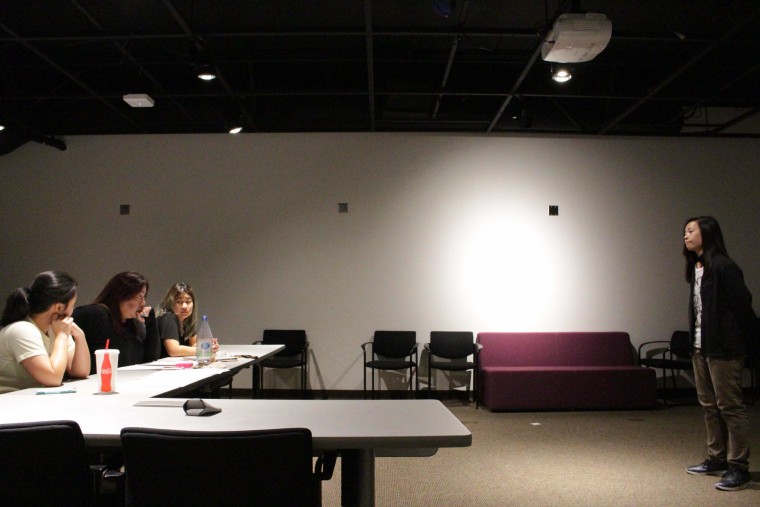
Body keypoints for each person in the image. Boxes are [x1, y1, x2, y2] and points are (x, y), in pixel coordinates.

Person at [683, 216, 758, 491]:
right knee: (709, 406)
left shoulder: (725, 267)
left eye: (691, 230)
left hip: (725, 349)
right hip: (701, 347)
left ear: (708, 233)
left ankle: (739, 467)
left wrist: (752, 346)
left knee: (730, 407)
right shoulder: (696, 268)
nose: (686, 235)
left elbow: (743, 308)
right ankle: (717, 458)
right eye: (685, 231)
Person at [0, 271, 90, 394]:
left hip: (29, 401)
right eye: (73, 304)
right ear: (59, 307)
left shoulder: (56, 327)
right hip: (8, 404)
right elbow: (52, 378)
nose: (73, 310)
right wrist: (62, 336)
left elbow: (81, 372)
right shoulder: (22, 329)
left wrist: (80, 336)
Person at [73, 271, 160, 373]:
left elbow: (151, 357)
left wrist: (150, 321)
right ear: (121, 295)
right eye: (140, 296)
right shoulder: (95, 314)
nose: (143, 303)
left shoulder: (132, 324)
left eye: (144, 297)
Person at [157, 282, 216, 357]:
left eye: (188, 302)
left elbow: (194, 344)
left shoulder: (186, 320)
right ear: (171, 303)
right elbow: (174, 350)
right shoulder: (168, 317)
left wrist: (210, 345)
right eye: (179, 302)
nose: (184, 306)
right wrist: (205, 349)